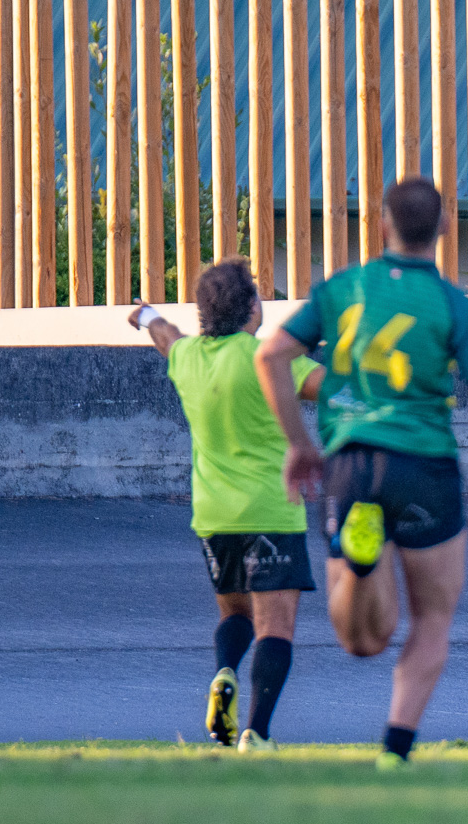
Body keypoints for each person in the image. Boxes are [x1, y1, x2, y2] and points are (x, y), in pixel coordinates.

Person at [255, 176, 468, 769]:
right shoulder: (454, 306)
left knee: (360, 641)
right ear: (443, 231)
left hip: (351, 463)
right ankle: (395, 749)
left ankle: (362, 566)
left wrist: (300, 444)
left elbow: (270, 355)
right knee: (433, 618)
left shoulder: (341, 290)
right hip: (425, 466)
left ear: (382, 224)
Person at [129, 258, 324, 752]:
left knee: (234, 614)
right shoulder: (268, 360)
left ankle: (223, 674)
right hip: (271, 510)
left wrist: (145, 314)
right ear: (253, 310)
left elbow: (165, 335)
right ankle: (256, 733)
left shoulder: (188, 357)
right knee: (275, 627)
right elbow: (332, 389)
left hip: (213, 517)